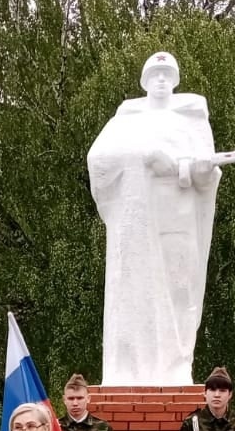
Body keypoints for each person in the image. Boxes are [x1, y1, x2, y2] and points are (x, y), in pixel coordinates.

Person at [87, 51, 223, 386]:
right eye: (155, 74)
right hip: (136, 221)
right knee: (133, 292)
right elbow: (99, 160)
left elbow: (206, 174)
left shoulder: (191, 121)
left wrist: (190, 168)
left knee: (180, 289)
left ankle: (176, 367)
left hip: (176, 215)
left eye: (167, 74)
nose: (161, 79)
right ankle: (127, 368)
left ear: (175, 81)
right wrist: (146, 157)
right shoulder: (125, 122)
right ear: (145, 80)